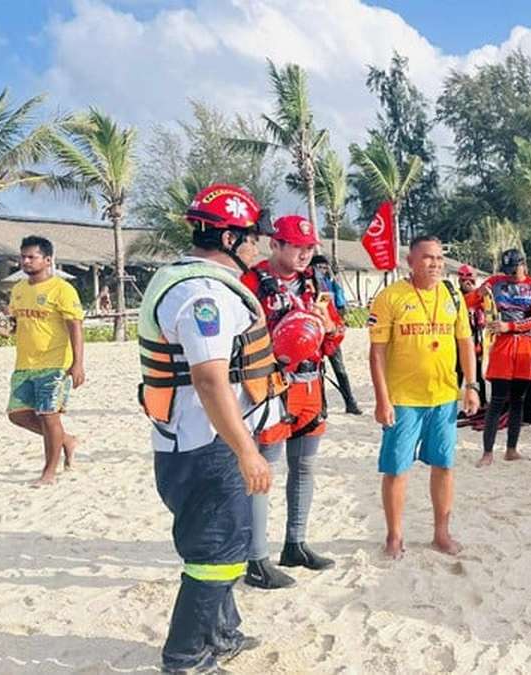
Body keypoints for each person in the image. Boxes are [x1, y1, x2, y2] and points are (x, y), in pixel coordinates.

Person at [137, 183, 284, 672]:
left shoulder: (182, 279)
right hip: (208, 445)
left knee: (224, 543)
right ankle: (185, 656)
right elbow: (208, 378)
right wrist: (246, 450)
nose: (259, 246)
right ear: (227, 239)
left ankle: (221, 632)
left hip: (195, 441)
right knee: (216, 552)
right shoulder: (204, 295)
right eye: (252, 237)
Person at [239, 218, 342, 589]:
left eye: (310, 247)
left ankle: (295, 544)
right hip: (272, 387)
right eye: (297, 246)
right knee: (263, 472)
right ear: (275, 244)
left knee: (305, 467)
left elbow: (334, 338)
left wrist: (328, 328)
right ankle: (256, 558)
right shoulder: (250, 283)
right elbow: (237, 340)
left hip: (311, 385)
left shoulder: (316, 284)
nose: (305, 254)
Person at [368, 235, 480, 559]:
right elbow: (376, 353)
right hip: (403, 399)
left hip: (443, 397)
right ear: (411, 261)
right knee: (396, 468)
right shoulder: (390, 297)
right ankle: (394, 536)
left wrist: (471, 386)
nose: (435, 264)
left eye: (440, 258)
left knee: (444, 465)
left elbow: (465, 343)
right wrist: (382, 399)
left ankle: (441, 534)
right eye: (428, 257)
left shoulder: (452, 295)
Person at [3, 236, 85, 487]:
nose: (25, 261)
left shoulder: (62, 289)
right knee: (17, 415)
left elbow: (75, 327)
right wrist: (8, 330)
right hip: (24, 363)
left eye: (32, 257)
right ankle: (66, 440)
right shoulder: (19, 289)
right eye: (23, 256)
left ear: (47, 260)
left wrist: (78, 363)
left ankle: (49, 472)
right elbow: (17, 322)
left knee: (49, 416)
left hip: (55, 364)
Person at [476, 249, 531, 467]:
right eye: (507, 270)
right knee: (497, 400)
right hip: (501, 346)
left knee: (518, 401)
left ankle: (511, 449)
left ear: (523, 265)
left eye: (513, 270)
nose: (510, 275)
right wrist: (479, 294)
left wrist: (511, 326)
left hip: (524, 345)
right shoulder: (495, 282)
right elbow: (473, 301)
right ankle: (487, 452)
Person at [312, 255, 362, 415]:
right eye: (319, 267)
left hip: (330, 330)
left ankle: (349, 401)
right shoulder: (308, 285)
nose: (322, 270)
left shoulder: (327, 284)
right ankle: (323, 407)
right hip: (315, 332)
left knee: (339, 369)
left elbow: (329, 307)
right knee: (318, 371)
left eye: (324, 267)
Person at [457, 264, 487, 409]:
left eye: (471, 281)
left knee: (478, 374)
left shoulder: (480, 297)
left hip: (476, 340)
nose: (468, 284)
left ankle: (482, 404)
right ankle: (451, 405)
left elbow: (489, 313)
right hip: (458, 342)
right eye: (465, 281)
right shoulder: (456, 297)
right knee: (457, 374)